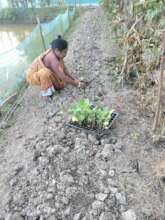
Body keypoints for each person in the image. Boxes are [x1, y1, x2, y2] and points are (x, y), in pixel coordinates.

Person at [26, 35, 87, 100]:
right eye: (64, 52)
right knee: (45, 73)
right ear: (57, 50)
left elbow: (64, 69)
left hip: (42, 71)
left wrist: (74, 80)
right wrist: (77, 84)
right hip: (32, 76)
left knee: (59, 82)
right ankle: (46, 95)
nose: (66, 54)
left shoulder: (56, 53)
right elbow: (62, 76)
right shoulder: (53, 59)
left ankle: (51, 85)